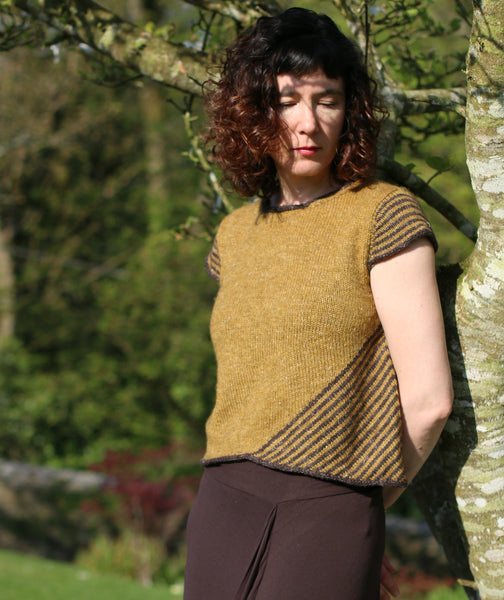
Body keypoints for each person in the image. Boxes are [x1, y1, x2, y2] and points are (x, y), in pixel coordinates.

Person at [183, 8, 453, 600]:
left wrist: (359, 506)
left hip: (329, 504)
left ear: (348, 111)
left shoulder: (383, 215)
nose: (308, 123)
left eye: (327, 100)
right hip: (221, 502)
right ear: (252, 113)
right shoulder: (234, 235)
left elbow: (429, 403)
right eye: (286, 101)